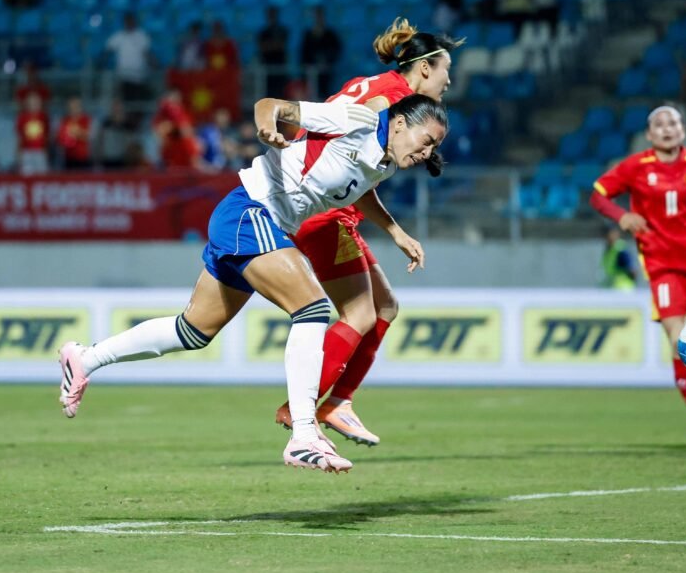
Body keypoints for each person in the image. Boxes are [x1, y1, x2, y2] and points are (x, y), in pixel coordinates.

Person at [57, 93, 448, 474]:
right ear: (399, 123)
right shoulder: (354, 121)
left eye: (434, 148)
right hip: (250, 212)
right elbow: (271, 106)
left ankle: (85, 358)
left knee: (192, 331)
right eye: (426, 141)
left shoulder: (386, 160)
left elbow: (360, 189)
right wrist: (267, 129)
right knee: (312, 308)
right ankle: (304, 434)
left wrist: (395, 232)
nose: (427, 153)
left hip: (258, 224)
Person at [274, 17, 463, 446]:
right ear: (427, 67)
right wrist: (396, 231)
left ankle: (338, 401)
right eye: (447, 70)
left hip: (327, 207)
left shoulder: (376, 87)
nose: (450, 81)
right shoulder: (393, 105)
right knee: (360, 314)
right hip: (322, 210)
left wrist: (395, 230)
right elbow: (346, 168)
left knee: (385, 308)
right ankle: (301, 408)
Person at [590, 105, 686, 451]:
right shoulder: (635, 167)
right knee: (680, 343)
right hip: (662, 264)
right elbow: (598, 194)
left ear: (683, 130)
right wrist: (622, 216)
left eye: (673, 122)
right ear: (649, 134)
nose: (666, 128)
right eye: (659, 124)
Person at [106, 13, 153, 113]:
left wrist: (153, 64)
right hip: (124, 76)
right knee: (126, 101)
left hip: (138, 76)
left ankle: (136, 120)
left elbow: (147, 53)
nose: (129, 23)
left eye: (131, 21)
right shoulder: (119, 36)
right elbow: (108, 49)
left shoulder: (141, 36)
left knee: (137, 102)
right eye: (127, 21)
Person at [153, 89, 208, 172]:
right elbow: (161, 131)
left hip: (184, 155)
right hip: (175, 156)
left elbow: (186, 129)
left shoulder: (179, 111)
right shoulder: (167, 109)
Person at [300, 6, 342, 99]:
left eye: (320, 16)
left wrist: (327, 62)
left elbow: (336, 50)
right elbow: (304, 52)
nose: (318, 18)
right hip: (311, 71)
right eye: (317, 16)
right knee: (311, 94)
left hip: (326, 71)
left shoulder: (330, 34)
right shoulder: (308, 34)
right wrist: (308, 65)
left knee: (325, 94)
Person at [95, 98, 140, 170]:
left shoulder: (127, 124)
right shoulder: (106, 123)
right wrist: (99, 157)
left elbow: (133, 139)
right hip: (108, 158)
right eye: (115, 107)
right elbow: (101, 140)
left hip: (122, 158)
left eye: (119, 108)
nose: (117, 110)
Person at [257, 6, 289, 97]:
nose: (272, 16)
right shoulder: (263, 32)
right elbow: (262, 47)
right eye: (270, 14)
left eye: (273, 14)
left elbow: (281, 45)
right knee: (269, 94)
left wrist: (270, 45)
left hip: (280, 68)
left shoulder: (283, 30)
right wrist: (274, 45)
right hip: (267, 68)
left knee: (281, 94)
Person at [16, 91, 50, 175]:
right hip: (26, 151)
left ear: (40, 103)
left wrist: (46, 151)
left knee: (42, 176)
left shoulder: (44, 117)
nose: (33, 105)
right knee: (26, 175)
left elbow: (47, 135)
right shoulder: (22, 117)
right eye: (31, 102)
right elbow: (19, 136)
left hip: (40, 151)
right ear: (26, 104)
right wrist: (18, 152)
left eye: (36, 102)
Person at [56, 97, 93, 170]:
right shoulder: (64, 120)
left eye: (75, 106)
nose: (73, 109)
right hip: (68, 158)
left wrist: (75, 132)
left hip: (83, 158)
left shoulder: (86, 119)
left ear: (80, 107)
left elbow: (88, 136)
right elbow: (60, 139)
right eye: (71, 106)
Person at [600, 225, 637, 291]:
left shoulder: (620, 249)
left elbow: (632, 270)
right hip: (612, 288)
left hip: (622, 289)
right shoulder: (609, 249)